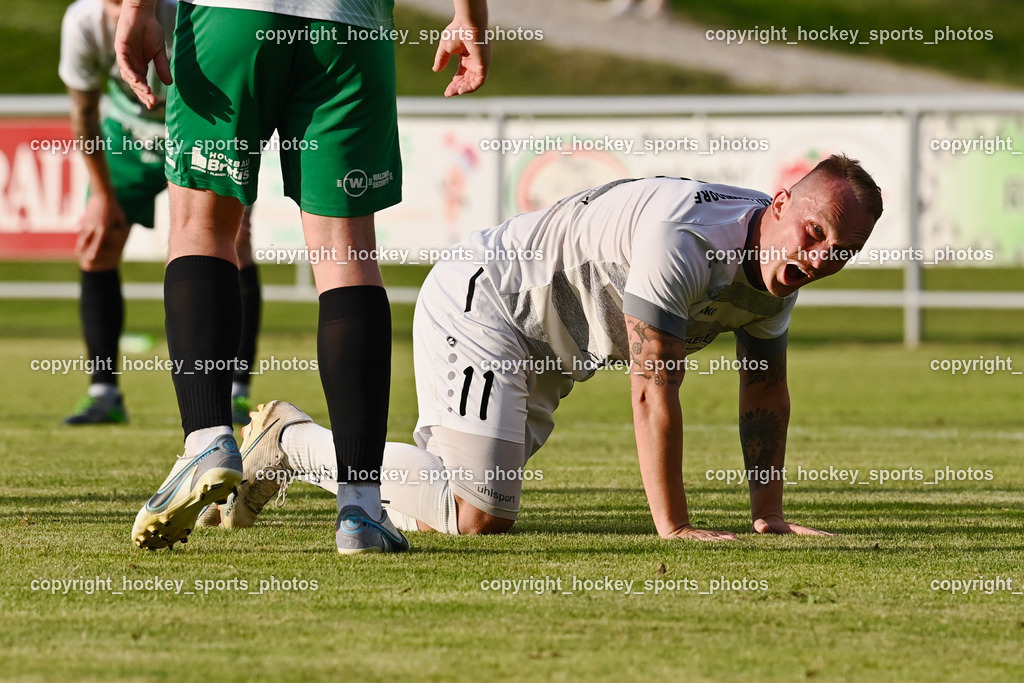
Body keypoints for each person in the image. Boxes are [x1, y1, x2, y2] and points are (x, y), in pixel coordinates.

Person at [216, 155, 881, 541]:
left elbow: (764, 392)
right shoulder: (686, 238)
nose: (821, 257)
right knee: (476, 514)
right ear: (783, 200)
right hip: (493, 302)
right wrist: (673, 527)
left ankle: (292, 462)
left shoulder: (778, 271)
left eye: (840, 252)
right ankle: (289, 440)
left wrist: (769, 516)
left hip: (550, 352)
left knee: (443, 503)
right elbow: (653, 387)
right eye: (816, 232)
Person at [116, 0, 491, 553]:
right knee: (347, 253)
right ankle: (361, 510)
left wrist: (137, 7)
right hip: (347, 26)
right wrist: (470, 17)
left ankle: (208, 439)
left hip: (230, 18)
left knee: (202, 225)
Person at [59, 0, 262, 427]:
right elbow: (84, 112)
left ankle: (236, 391)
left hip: (197, 125)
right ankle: (104, 391)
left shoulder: (183, 8)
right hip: (127, 140)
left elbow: (232, 73)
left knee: (235, 243)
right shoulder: (82, 22)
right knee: (98, 244)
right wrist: (101, 194)